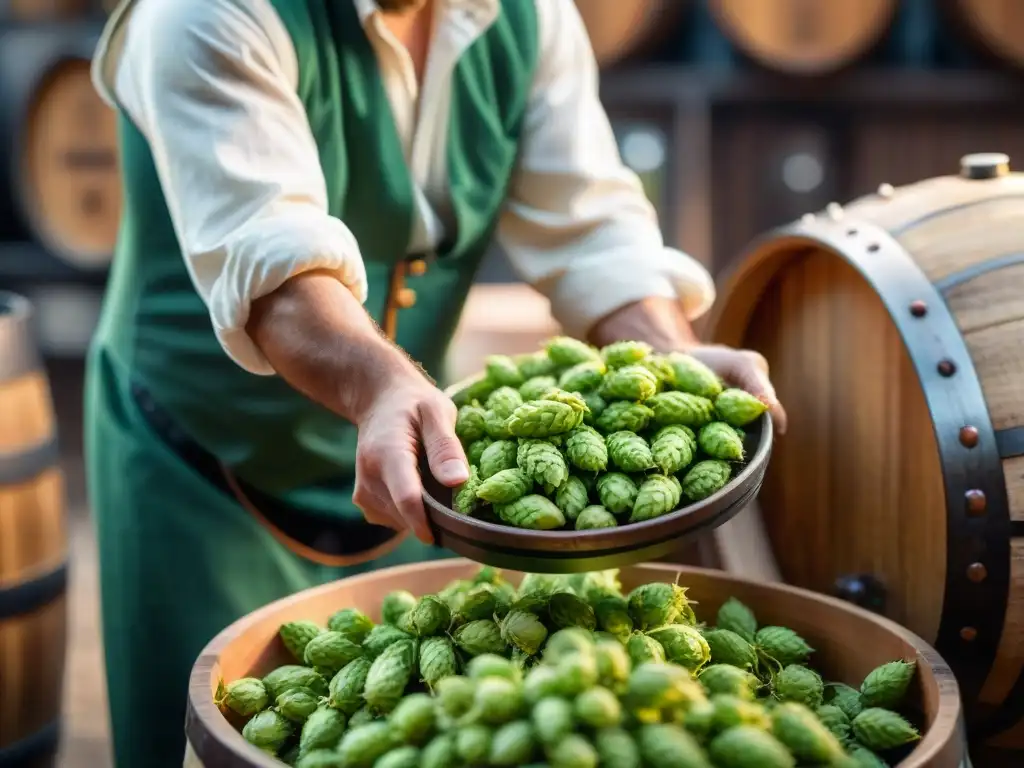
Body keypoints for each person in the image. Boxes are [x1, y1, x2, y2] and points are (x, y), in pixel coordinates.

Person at [85, 0, 786, 765]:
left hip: (421, 462)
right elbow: (277, 276)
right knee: (202, 738)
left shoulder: (527, 17)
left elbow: (588, 230)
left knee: (405, 727)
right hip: (199, 467)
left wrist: (669, 353)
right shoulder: (202, 13)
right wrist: (386, 388)